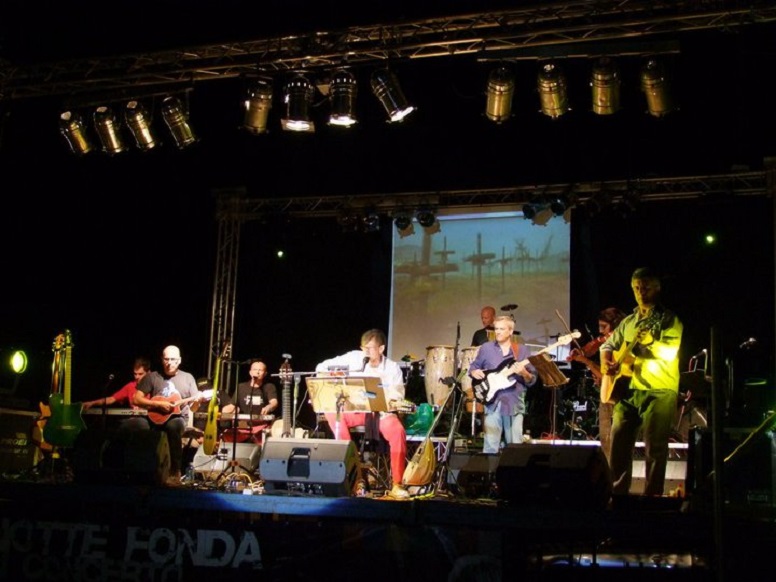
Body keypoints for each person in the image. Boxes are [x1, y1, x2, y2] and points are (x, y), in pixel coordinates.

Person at [601, 268, 683, 497]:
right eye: (636, 288)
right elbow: (607, 345)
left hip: (658, 389)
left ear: (657, 288)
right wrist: (607, 361)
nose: (640, 292)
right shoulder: (628, 321)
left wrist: (650, 343)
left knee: (654, 448)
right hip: (627, 391)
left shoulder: (669, 319)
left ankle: (652, 500)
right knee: (618, 446)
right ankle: (617, 496)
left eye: (645, 287)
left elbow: (670, 352)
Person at [315, 328, 409, 499]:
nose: (365, 352)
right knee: (332, 413)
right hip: (356, 410)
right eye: (363, 348)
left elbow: (397, 396)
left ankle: (397, 484)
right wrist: (333, 376)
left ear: (381, 349)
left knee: (398, 431)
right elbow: (321, 367)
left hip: (380, 413)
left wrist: (383, 400)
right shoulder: (354, 358)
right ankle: (353, 472)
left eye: (369, 349)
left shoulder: (392, 368)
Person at [133, 345, 206, 486]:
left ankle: (175, 471)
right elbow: (136, 399)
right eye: (166, 359)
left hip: (178, 418)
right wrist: (158, 404)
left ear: (179, 360)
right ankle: (136, 469)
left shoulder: (187, 378)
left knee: (173, 425)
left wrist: (197, 401)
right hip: (155, 417)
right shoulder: (152, 377)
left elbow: (193, 408)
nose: (169, 362)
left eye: (173, 359)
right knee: (133, 425)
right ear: (162, 359)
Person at [469, 315, 537, 453]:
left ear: (510, 331)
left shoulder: (522, 350)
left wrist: (524, 373)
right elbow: (473, 367)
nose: (498, 332)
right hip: (492, 403)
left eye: (502, 329)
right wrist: (474, 372)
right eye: (496, 329)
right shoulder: (486, 348)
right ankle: (490, 467)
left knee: (515, 449)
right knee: (490, 446)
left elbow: (532, 380)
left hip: (513, 403)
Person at [566, 307, 627, 459]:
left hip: (616, 396)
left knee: (612, 442)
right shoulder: (607, 342)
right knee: (607, 442)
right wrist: (582, 353)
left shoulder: (620, 345)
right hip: (607, 395)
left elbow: (606, 375)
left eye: (604, 327)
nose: (600, 332)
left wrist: (585, 361)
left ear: (616, 325)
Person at [82, 356, 151, 431]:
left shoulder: (154, 385)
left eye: (140, 374)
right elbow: (112, 399)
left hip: (149, 421)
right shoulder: (130, 386)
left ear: (148, 373)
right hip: (133, 421)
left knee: (142, 423)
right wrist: (92, 403)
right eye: (135, 374)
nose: (137, 377)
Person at [220, 358, 278, 444]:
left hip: (261, 427)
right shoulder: (241, 387)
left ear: (265, 374)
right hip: (243, 427)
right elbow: (232, 405)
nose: (257, 372)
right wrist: (225, 410)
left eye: (260, 370)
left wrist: (268, 407)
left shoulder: (269, 387)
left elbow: (274, 402)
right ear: (250, 372)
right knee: (226, 438)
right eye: (255, 369)